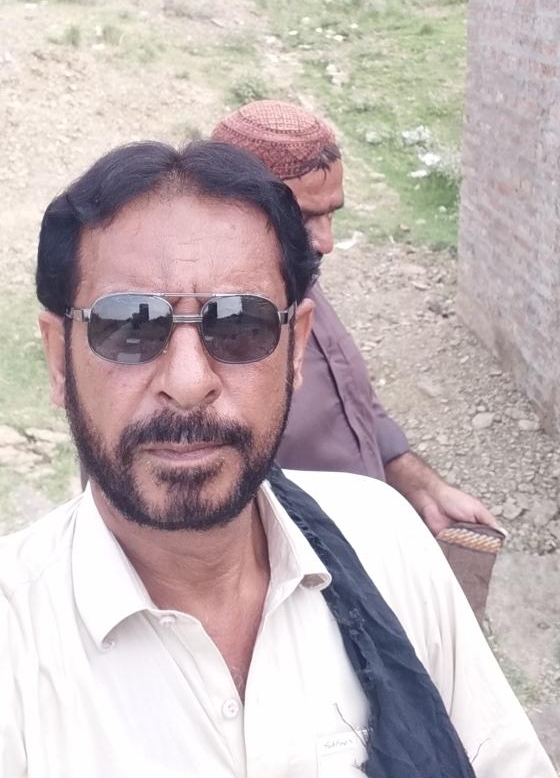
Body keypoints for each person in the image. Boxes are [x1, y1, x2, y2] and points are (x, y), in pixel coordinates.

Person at [0, 139, 553, 777]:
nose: (188, 382)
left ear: (295, 350)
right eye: (130, 325)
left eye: (241, 324)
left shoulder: (385, 543)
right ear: (59, 358)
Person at [211, 100, 496, 535]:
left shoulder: (296, 279)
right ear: (229, 213)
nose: (326, 242)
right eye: (303, 218)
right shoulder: (192, 348)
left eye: (331, 214)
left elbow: (352, 405)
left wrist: (424, 488)